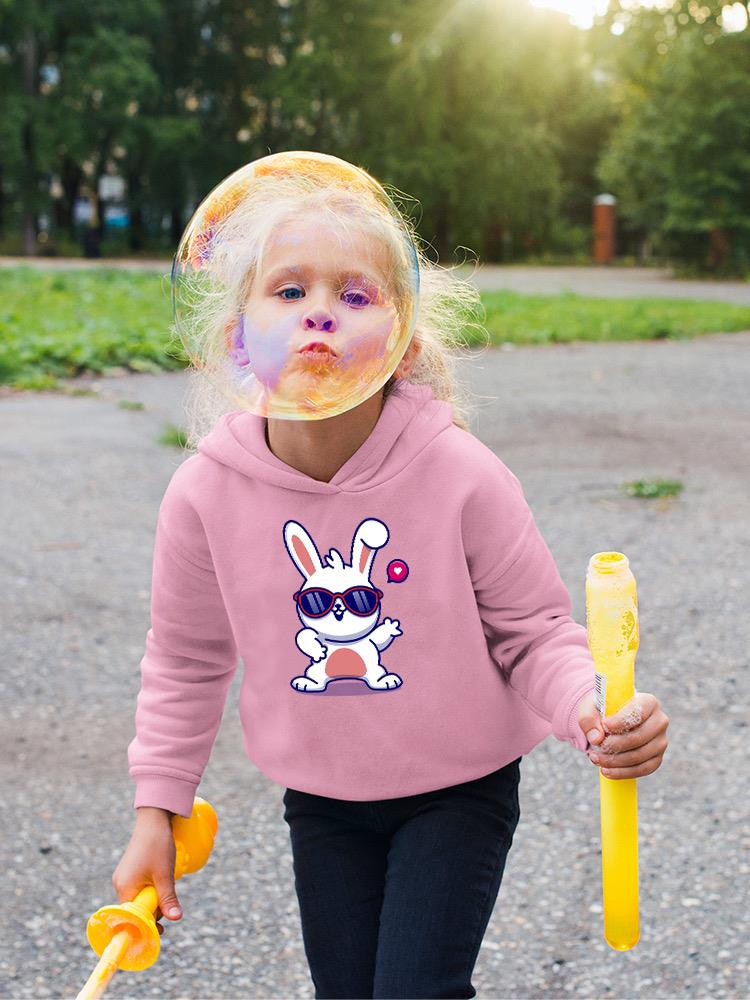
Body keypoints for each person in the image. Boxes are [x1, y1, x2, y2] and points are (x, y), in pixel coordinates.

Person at [112, 155, 670, 999]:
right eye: (289, 291)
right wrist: (158, 809)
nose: (320, 317)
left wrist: (591, 707)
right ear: (239, 332)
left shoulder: (462, 474)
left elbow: (531, 632)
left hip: (458, 790)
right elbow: (186, 659)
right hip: (322, 799)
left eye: (356, 295)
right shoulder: (203, 493)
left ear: (402, 336)